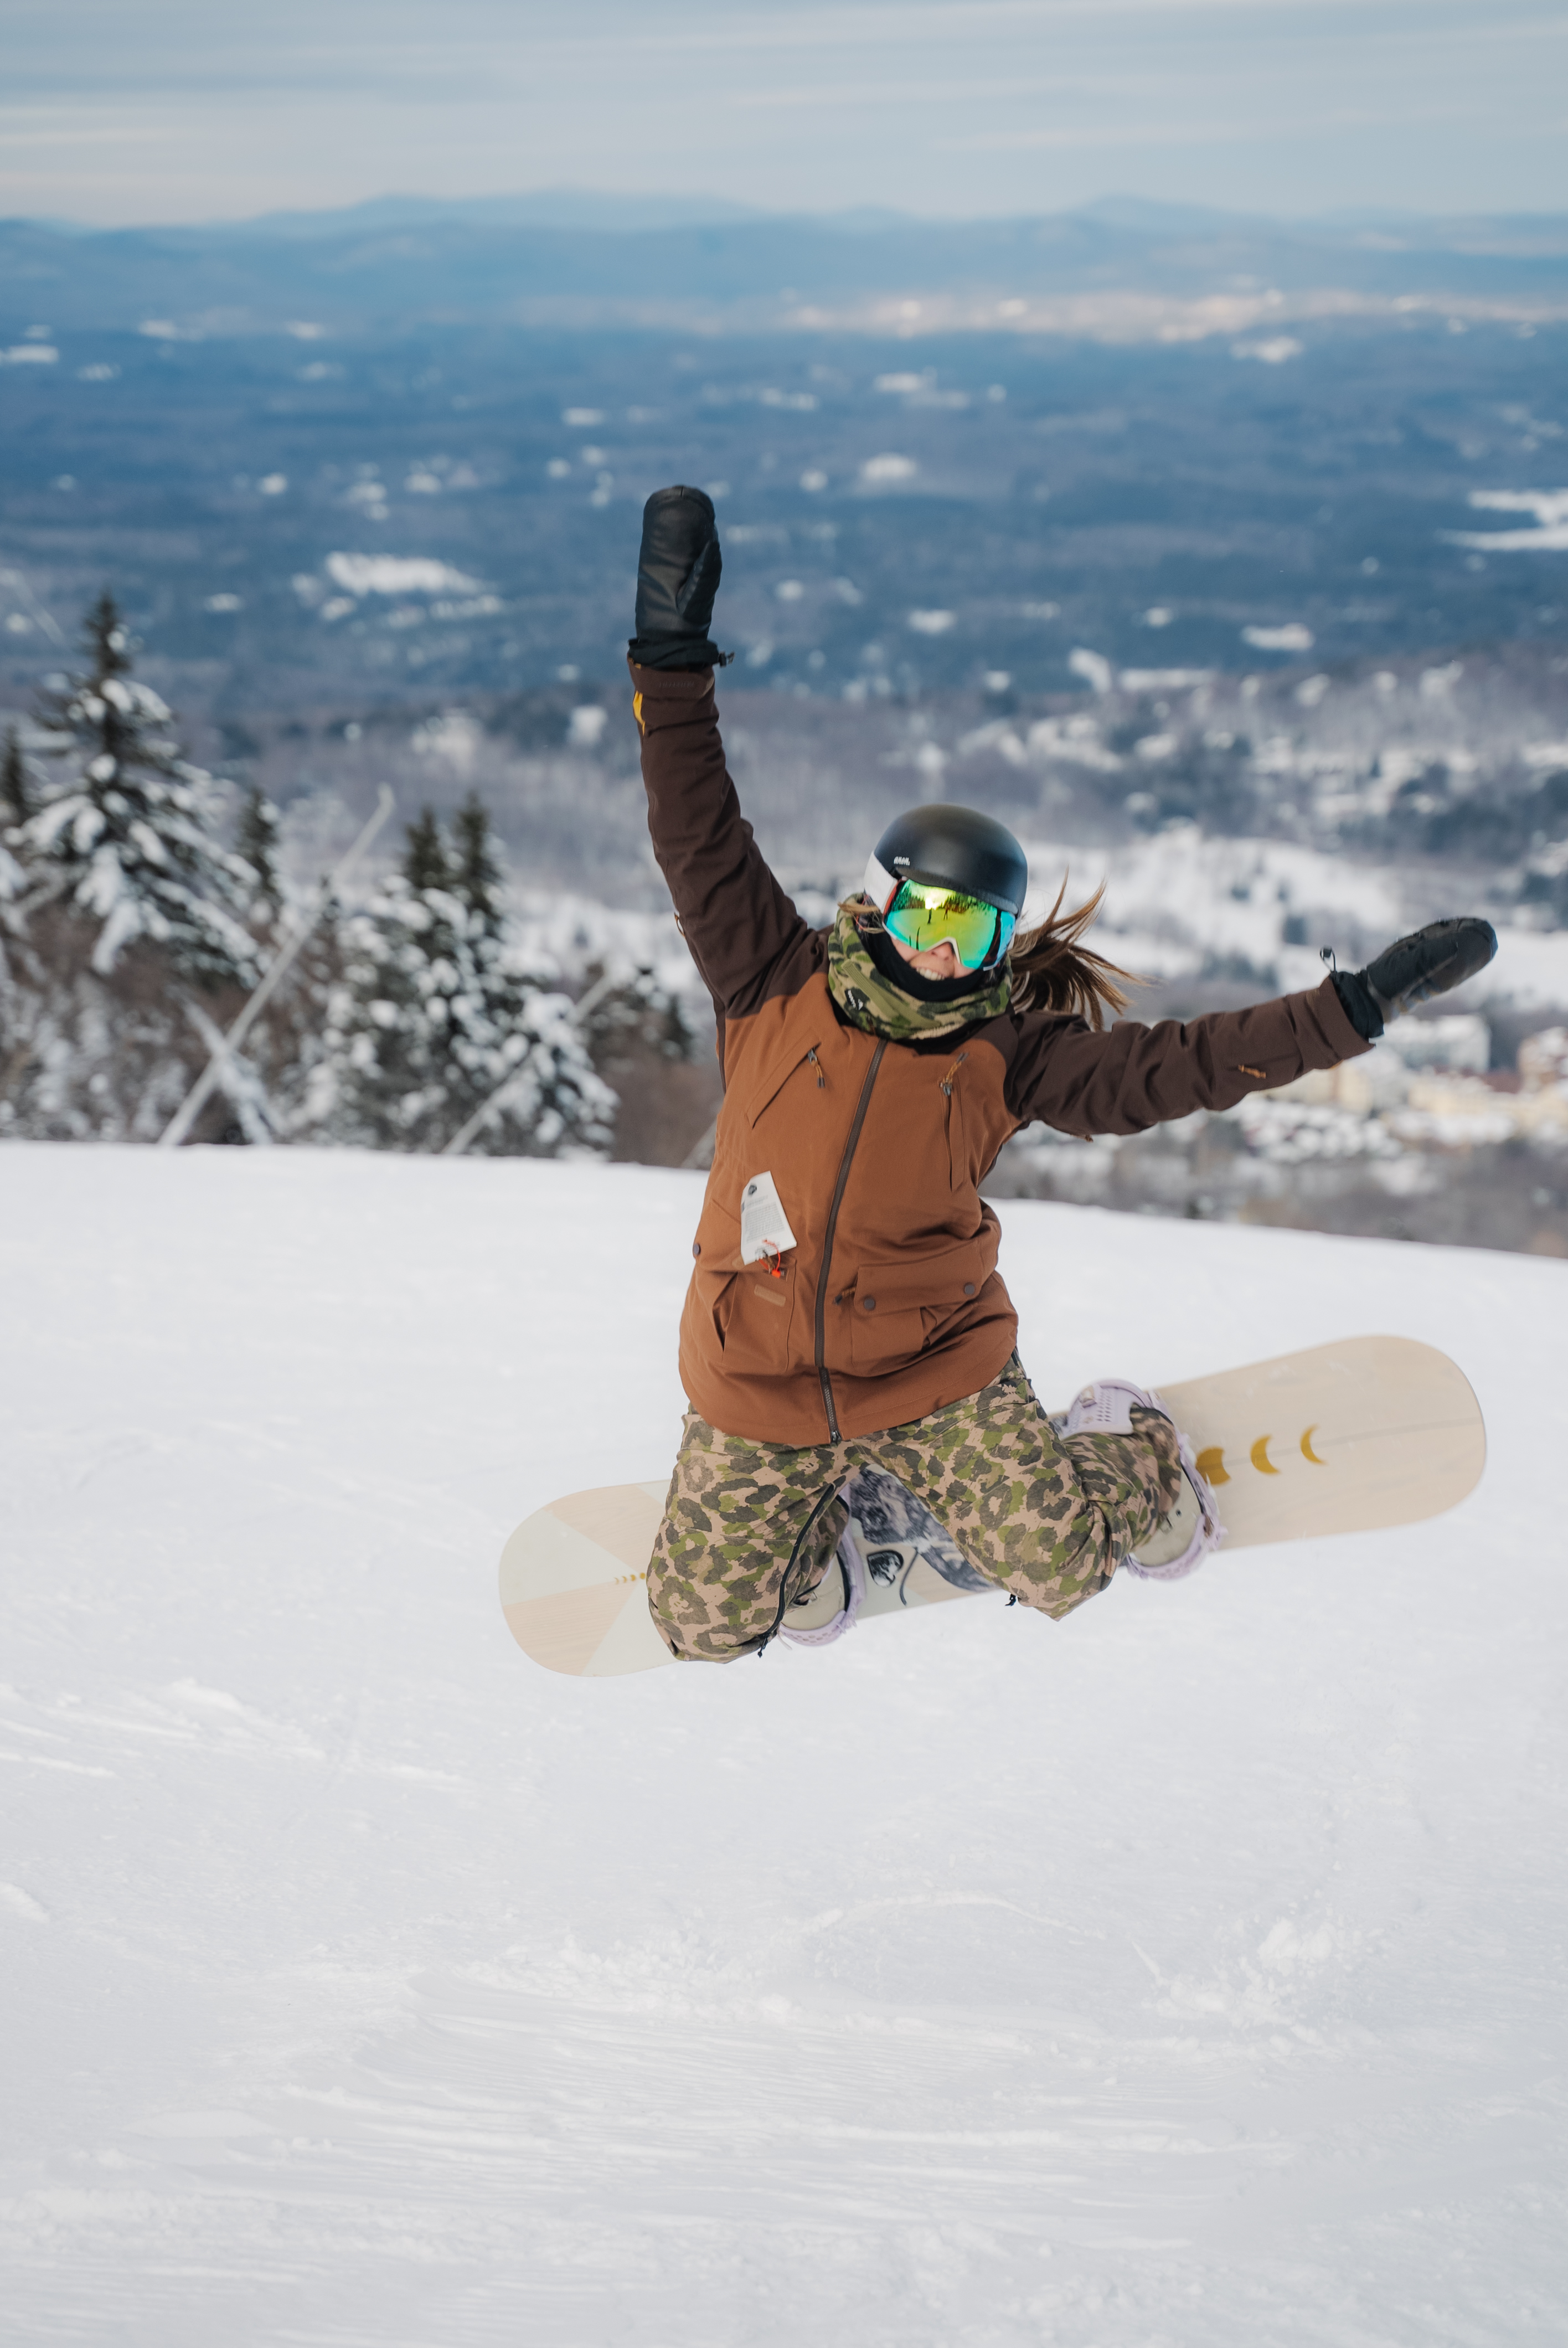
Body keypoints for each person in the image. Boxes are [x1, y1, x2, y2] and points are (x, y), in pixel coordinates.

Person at [627, 485, 1498, 1663]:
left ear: (999, 945)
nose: (942, 945)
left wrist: (1349, 1010)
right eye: (926, 909)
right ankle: (825, 1522)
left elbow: (1177, 1067)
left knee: (1070, 1565)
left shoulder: (1006, 1056)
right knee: (698, 1626)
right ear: (883, 901)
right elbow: (695, 826)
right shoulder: (769, 980)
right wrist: (671, 659)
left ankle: (1122, 1437)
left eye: (973, 929)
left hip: (931, 1375)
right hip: (758, 1379)